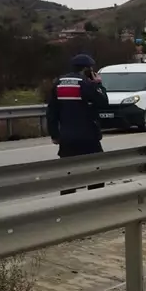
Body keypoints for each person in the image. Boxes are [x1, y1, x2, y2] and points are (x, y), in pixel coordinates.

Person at [47, 54, 109, 194]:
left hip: (67, 136)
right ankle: (94, 199)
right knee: (95, 171)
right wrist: (98, 84)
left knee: (69, 173)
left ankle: (69, 202)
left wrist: (54, 134)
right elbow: (103, 102)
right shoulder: (86, 84)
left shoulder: (58, 83)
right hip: (88, 136)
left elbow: (52, 111)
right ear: (87, 69)